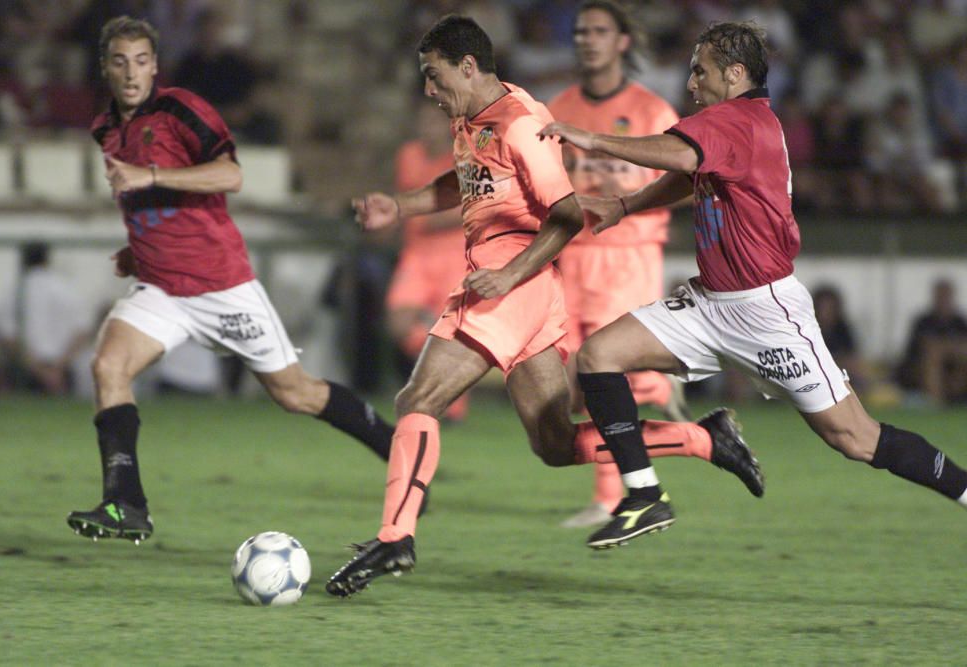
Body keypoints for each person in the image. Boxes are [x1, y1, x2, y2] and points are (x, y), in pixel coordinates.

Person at [325, 15, 764, 598]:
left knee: (417, 398)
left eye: (433, 77)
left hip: (512, 280)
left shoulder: (520, 123)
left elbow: (562, 215)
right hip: (525, 289)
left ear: (468, 66)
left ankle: (395, 538)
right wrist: (399, 208)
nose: (428, 91)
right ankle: (706, 440)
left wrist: (507, 274)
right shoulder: (474, 118)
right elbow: (466, 180)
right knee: (556, 445)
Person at [538, 21, 967, 549]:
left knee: (856, 438)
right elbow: (691, 173)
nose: (692, 82)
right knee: (599, 355)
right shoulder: (730, 126)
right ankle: (644, 496)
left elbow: (679, 155)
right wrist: (625, 206)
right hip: (708, 303)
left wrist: (592, 137)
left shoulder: (738, 121)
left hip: (766, 313)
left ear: (735, 74)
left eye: (701, 70)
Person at [66, 16, 395, 545]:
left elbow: (230, 175)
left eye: (142, 61)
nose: (132, 73)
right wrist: (138, 247)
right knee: (109, 365)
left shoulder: (181, 110)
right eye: (120, 62)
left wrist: (151, 176)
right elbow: (144, 201)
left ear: (156, 65)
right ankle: (126, 503)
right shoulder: (105, 128)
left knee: (295, 394)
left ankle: (397, 448)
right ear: (105, 67)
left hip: (221, 285)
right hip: (161, 288)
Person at [547, 0, 694, 529]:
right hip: (572, 254)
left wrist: (628, 191)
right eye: (581, 31)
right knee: (569, 387)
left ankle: (613, 493)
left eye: (599, 31)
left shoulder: (653, 111)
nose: (587, 39)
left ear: (622, 42)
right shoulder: (560, 107)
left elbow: (690, 181)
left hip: (628, 254)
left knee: (604, 373)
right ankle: (660, 389)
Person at [385, 97, 471, 421]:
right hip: (416, 255)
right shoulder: (408, 155)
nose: (427, 129)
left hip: (455, 255)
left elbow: (478, 207)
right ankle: (447, 389)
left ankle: (448, 402)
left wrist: (427, 216)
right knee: (400, 324)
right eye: (422, 122)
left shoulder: (466, 155)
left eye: (434, 122)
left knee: (448, 332)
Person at [0, 242, 93, 395]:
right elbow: (82, 332)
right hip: (62, 370)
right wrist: (58, 369)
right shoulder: (66, 289)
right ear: (47, 259)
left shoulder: (15, 292)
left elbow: (7, 337)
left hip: (27, 372)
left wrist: (39, 370)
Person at [896, 279, 967, 405]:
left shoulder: (959, 321)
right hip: (920, 367)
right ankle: (936, 401)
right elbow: (925, 347)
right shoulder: (924, 321)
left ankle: (956, 398)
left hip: (953, 367)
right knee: (933, 358)